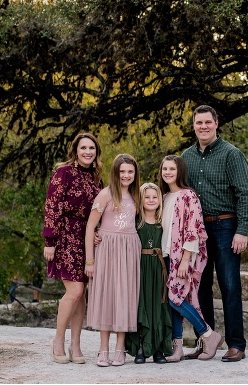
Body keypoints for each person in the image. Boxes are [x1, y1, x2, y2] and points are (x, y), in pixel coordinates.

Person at [180, 105, 248, 362]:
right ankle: (205, 341)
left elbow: (244, 193)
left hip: (225, 227)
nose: (203, 126)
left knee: (230, 285)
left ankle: (236, 344)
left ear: (216, 123)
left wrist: (242, 230)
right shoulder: (185, 157)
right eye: (199, 123)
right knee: (199, 289)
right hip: (197, 232)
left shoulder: (231, 154)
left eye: (207, 122)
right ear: (194, 126)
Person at [43, 133, 103, 365]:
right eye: (83, 148)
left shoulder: (96, 179)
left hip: (86, 240)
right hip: (66, 236)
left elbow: (100, 210)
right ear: (75, 150)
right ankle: (58, 340)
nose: (88, 152)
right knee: (75, 291)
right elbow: (52, 206)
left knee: (81, 295)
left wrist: (97, 230)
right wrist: (50, 241)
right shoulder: (64, 172)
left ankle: (75, 344)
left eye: (92, 148)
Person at [159, 155, 223, 362]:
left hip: (182, 257)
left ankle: (207, 334)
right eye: (165, 169)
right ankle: (177, 348)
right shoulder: (164, 196)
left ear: (180, 172)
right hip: (166, 256)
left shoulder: (189, 196)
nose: (167, 172)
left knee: (174, 298)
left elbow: (194, 230)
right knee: (174, 302)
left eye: (172, 169)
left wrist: (186, 259)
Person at [84, 154, 142, 367]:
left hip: (129, 250)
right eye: (122, 171)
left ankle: (120, 349)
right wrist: (89, 261)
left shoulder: (138, 195)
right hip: (107, 249)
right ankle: (103, 349)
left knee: (125, 296)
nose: (126, 175)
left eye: (130, 172)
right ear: (115, 173)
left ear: (135, 174)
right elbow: (90, 227)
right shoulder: (105, 195)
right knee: (106, 295)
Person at [125, 183, 173, 364]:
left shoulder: (163, 224)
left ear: (159, 200)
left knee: (158, 307)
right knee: (142, 304)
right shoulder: (136, 223)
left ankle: (159, 349)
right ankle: (140, 348)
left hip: (158, 269)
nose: (151, 200)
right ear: (141, 200)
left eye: (155, 197)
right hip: (141, 268)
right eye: (147, 197)